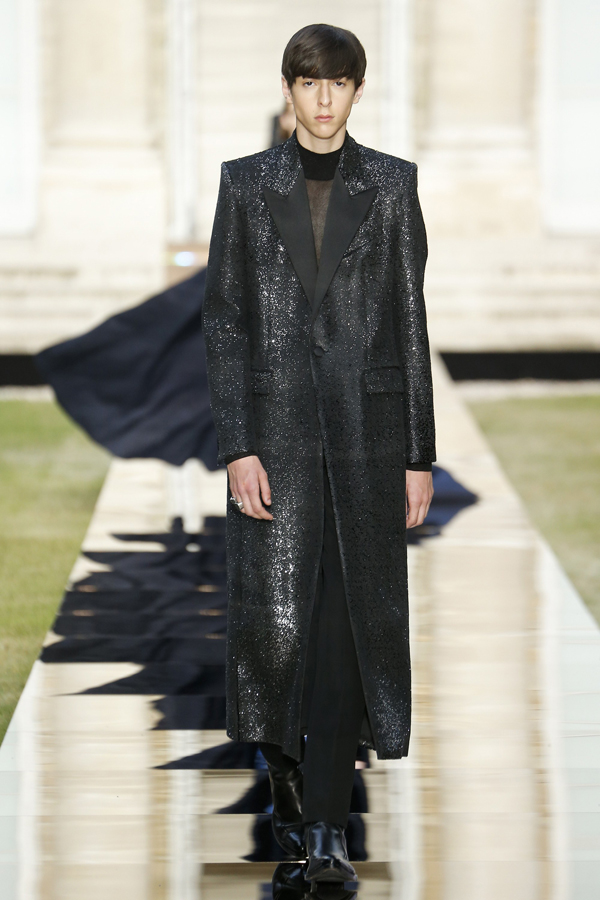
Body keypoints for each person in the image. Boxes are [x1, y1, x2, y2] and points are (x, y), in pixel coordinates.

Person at [203, 22, 437, 889]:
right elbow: (226, 321)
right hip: (275, 442)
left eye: (339, 82)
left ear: (357, 90)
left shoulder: (392, 184)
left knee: (343, 634)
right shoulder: (244, 183)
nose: (325, 97)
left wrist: (418, 453)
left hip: (368, 440)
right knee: (274, 634)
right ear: (289, 90)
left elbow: (410, 321)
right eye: (310, 82)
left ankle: (329, 826)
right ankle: (290, 787)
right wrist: (238, 445)